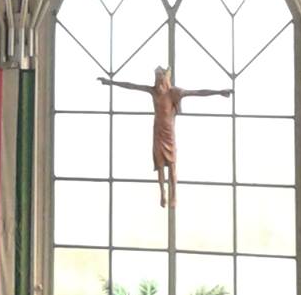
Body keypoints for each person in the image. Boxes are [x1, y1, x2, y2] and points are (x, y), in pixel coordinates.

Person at [98, 65, 232, 207]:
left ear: (166, 80)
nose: (158, 83)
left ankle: (174, 194)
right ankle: (162, 193)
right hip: (158, 132)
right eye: (156, 79)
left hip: (169, 133)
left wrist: (219, 92)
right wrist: (110, 82)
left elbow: (198, 92)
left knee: (172, 165)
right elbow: (131, 86)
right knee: (160, 165)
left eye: (160, 79)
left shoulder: (175, 92)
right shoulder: (153, 91)